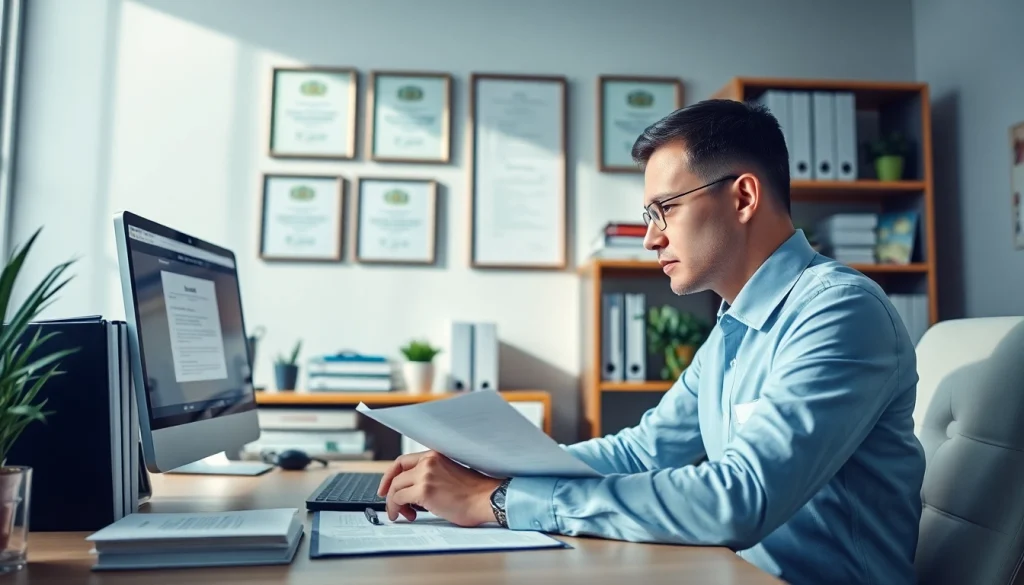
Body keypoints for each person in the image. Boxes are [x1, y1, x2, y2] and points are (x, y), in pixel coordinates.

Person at [376, 99, 927, 585]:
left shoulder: (839, 311)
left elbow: (741, 499)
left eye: (666, 209)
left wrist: (498, 502)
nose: (649, 237)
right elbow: (641, 451)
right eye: (649, 215)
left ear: (742, 197)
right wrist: (489, 471)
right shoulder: (734, 325)